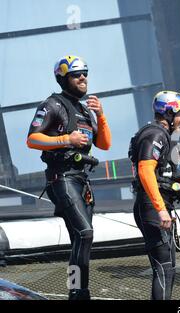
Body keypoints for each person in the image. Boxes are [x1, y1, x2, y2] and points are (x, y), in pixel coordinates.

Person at [26, 55, 112, 300]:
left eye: (85, 72)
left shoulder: (86, 109)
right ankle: (78, 291)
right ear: (63, 79)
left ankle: (78, 290)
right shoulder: (52, 104)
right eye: (76, 74)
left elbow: (105, 144)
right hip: (61, 178)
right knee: (85, 233)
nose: (83, 77)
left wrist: (101, 115)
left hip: (81, 181)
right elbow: (32, 139)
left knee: (80, 238)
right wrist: (66, 140)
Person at [130, 90, 180, 300]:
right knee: (164, 268)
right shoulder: (155, 134)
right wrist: (161, 210)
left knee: (168, 268)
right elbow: (145, 170)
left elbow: (167, 180)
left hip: (155, 206)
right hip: (152, 208)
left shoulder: (161, 135)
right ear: (168, 111)